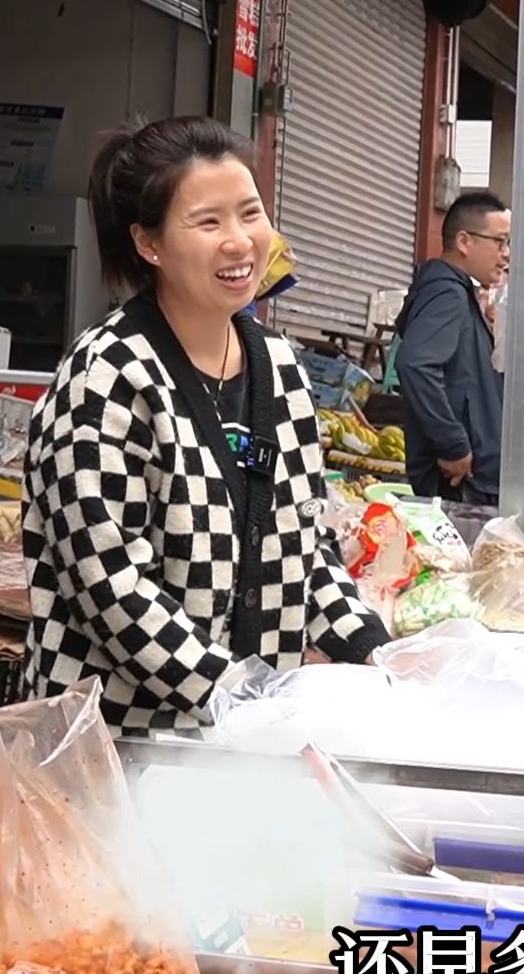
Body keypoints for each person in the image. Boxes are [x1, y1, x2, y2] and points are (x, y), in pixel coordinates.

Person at [20, 116, 389, 737]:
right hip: (117, 744)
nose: (241, 242)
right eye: (208, 221)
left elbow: (306, 547)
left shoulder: (280, 368)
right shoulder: (108, 374)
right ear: (149, 244)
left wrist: (374, 652)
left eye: (250, 214)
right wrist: (239, 694)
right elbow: (106, 583)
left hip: (244, 744)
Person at [395, 191, 511, 504]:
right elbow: (415, 365)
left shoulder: (461, 295)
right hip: (460, 482)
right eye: (499, 242)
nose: (506, 254)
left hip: (475, 478)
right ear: (464, 242)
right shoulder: (446, 294)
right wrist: (454, 445)